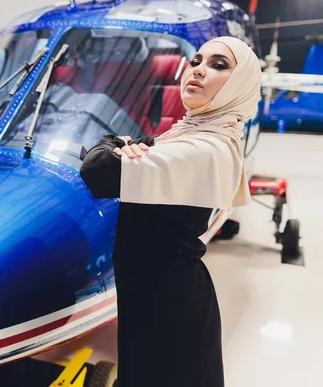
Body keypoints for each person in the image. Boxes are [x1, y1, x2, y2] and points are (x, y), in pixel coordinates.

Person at [79, 36, 262, 387]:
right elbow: (135, 146)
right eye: (196, 61)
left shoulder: (206, 147)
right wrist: (123, 146)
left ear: (239, 85)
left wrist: (114, 145)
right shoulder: (187, 132)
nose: (198, 70)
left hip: (171, 306)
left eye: (218, 65)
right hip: (151, 292)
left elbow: (97, 170)